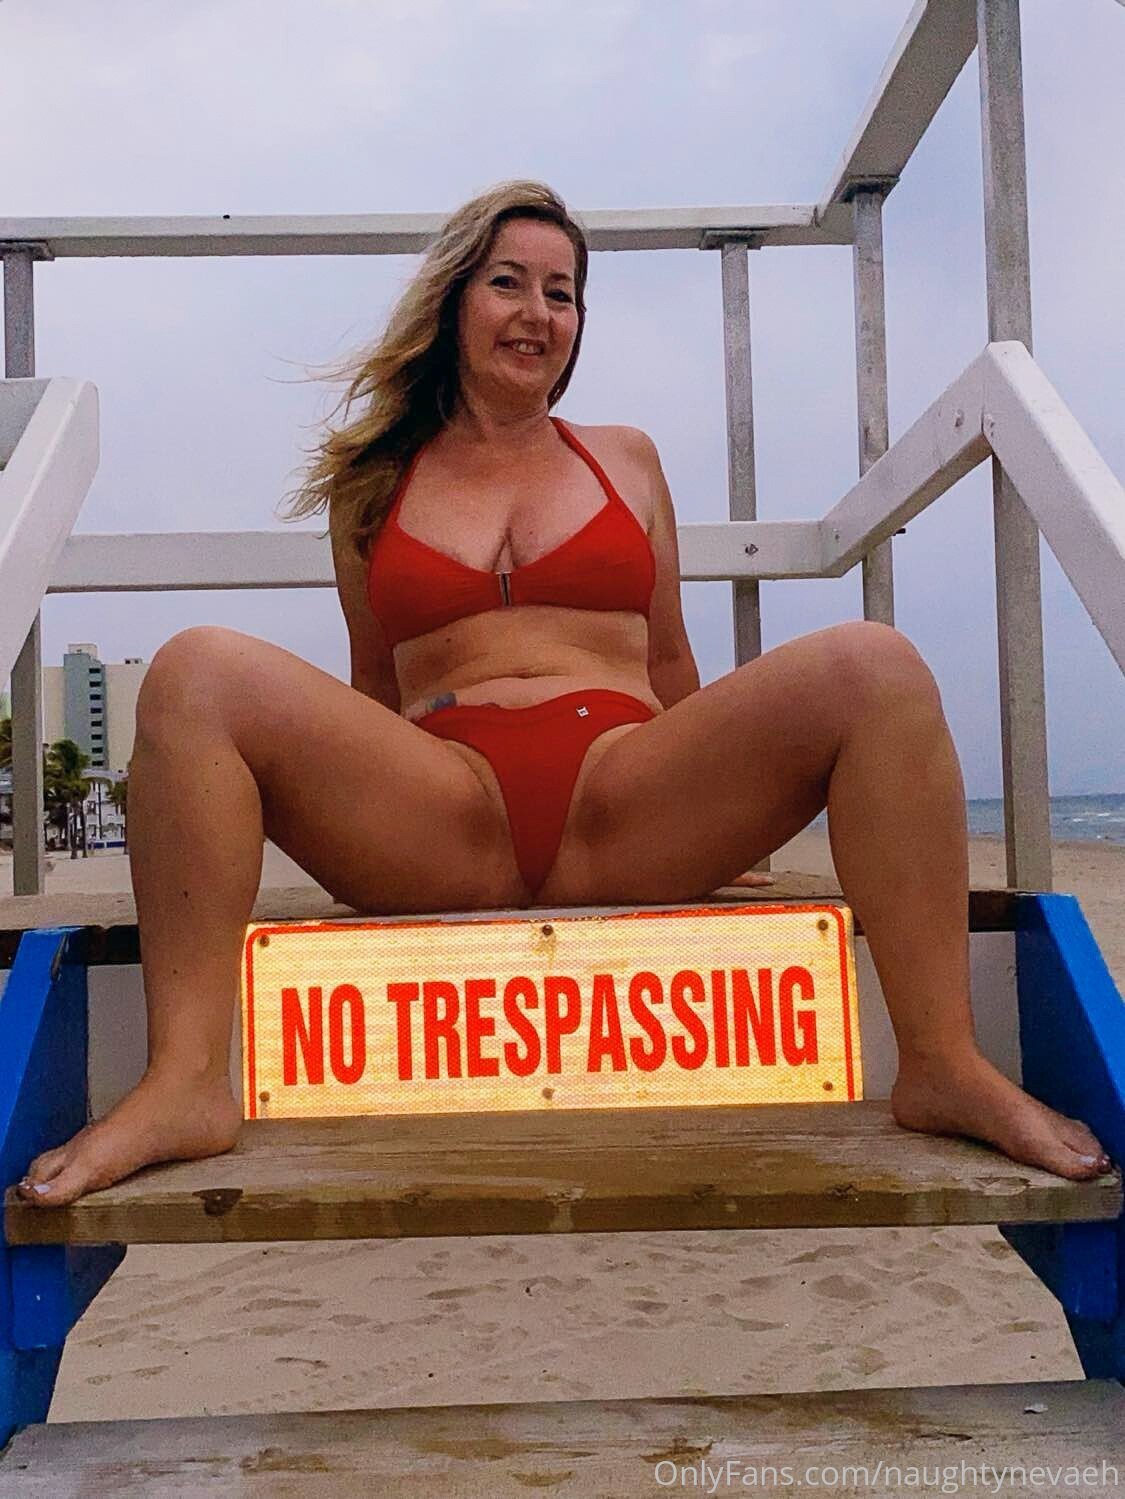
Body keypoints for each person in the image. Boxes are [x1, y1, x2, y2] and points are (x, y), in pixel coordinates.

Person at [17, 180, 1109, 1208]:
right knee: (195, 669)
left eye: (562, 291)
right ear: (455, 301)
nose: (537, 312)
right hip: (448, 815)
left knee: (879, 664)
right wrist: (362, 828)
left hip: (619, 799)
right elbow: (372, 687)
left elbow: (672, 666)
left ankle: (944, 1061)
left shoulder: (626, 460)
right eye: (509, 282)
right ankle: (185, 1082)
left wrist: (720, 824)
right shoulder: (372, 482)